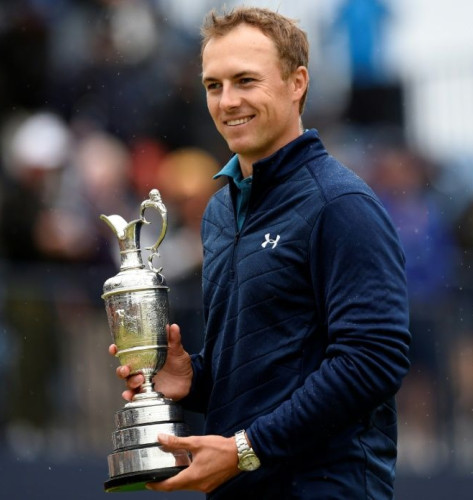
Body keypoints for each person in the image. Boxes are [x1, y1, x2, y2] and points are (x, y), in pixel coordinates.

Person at [110, 7, 411, 498]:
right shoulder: (218, 212)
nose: (228, 101)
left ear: (297, 83)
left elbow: (373, 359)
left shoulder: (342, 205)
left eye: (246, 81)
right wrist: (195, 378)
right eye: (213, 85)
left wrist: (247, 448)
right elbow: (269, 365)